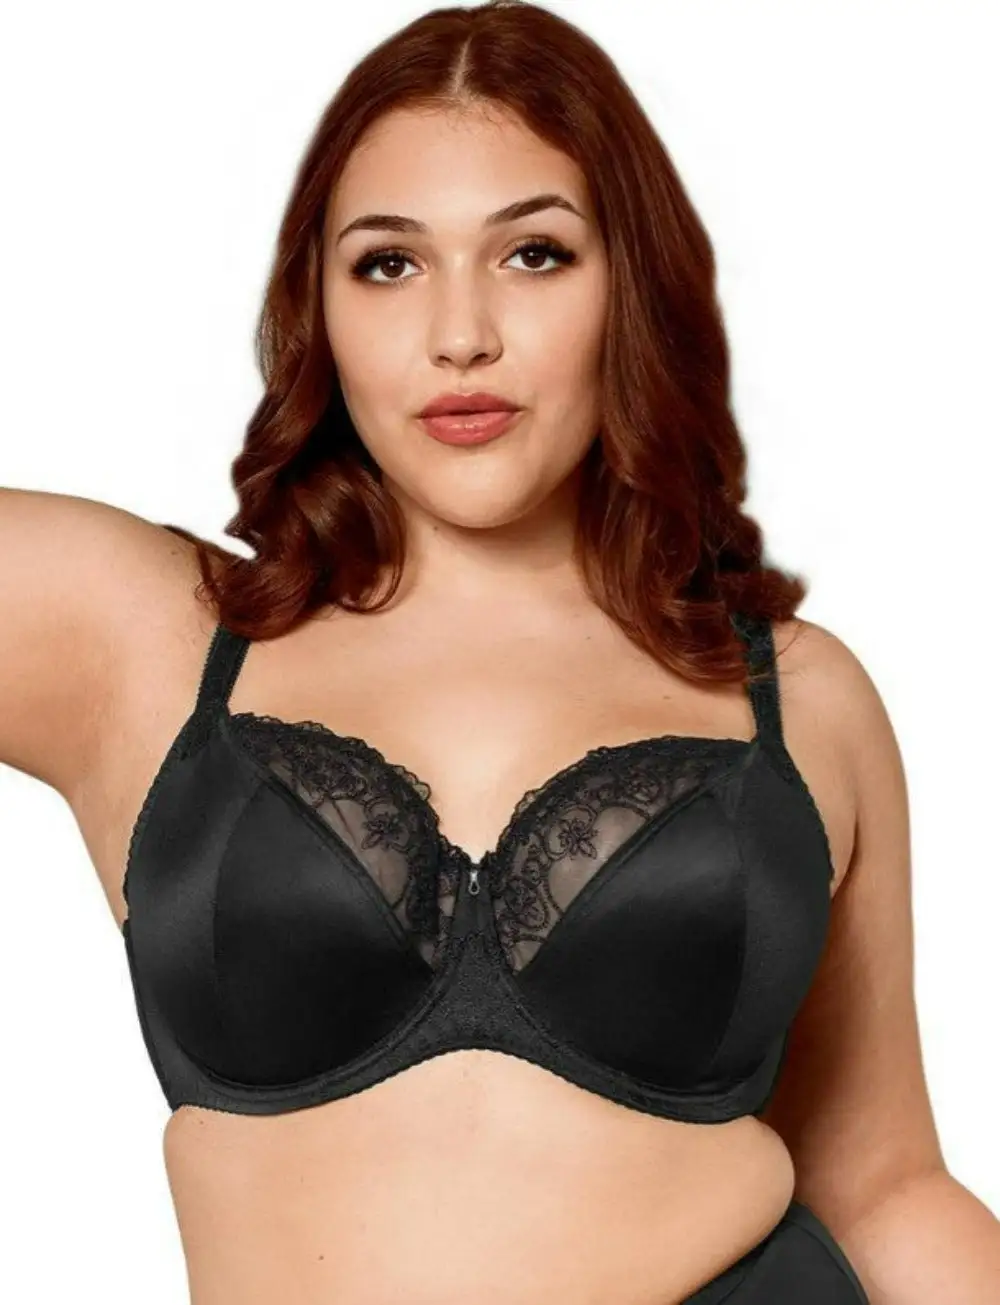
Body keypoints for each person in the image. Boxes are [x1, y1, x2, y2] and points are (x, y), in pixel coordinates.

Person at [2, 3, 998, 1302]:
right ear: (316, 309)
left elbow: (886, 1187)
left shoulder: (792, 696)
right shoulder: (146, 641)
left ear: (630, 285)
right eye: (388, 264)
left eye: (534, 255)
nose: (460, 332)